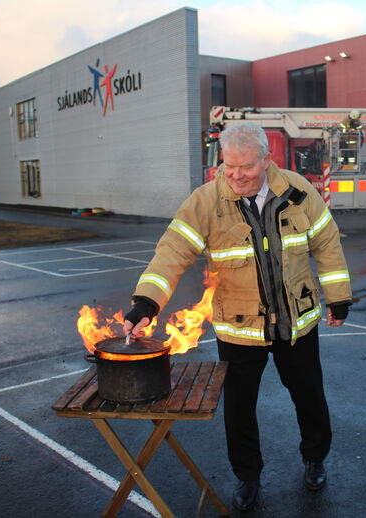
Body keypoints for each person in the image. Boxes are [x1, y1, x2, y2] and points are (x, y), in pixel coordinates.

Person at [122, 121, 352, 511]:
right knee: (239, 409)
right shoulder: (206, 201)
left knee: (309, 396)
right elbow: (173, 251)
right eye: (228, 168)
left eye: (244, 167)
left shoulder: (298, 191)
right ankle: (248, 476)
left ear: (267, 159)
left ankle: (315, 459)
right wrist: (147, 300)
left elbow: (326, 243)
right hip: (239, 329)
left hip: (297, 323)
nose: (235, 176)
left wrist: (338, 296)